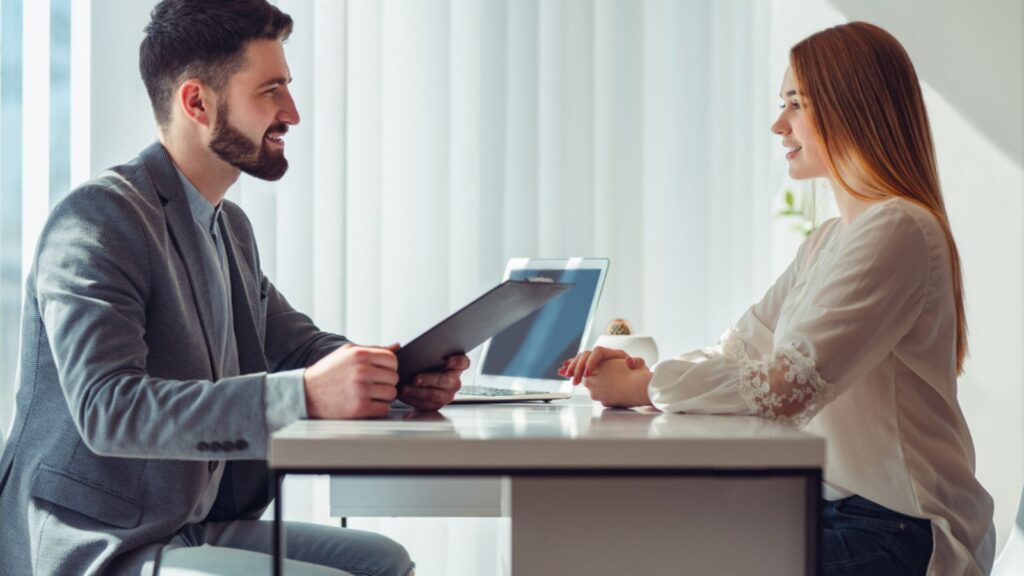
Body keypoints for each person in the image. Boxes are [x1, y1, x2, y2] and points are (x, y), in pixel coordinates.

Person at [0, 1, 468, 574]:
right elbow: (108, 409)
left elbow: (298, 348)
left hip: (182, 522)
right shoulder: (97, 221)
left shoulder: (228, 227)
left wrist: (395, 376)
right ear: (197, 101)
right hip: (100, 541)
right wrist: (304, 394)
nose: (292, 113)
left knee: (383, 562)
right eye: (270, 90)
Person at [561, 21, 995, 576]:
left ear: (851, 107)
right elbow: (739, 347)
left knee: (658, 553)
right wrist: (648, 376)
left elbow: (790, 387)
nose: (778, 124)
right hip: (835, 511)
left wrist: (647, 386)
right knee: (643, 538)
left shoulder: (898, 230)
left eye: (795, 103)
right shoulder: (829, 241)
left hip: (897, 531)